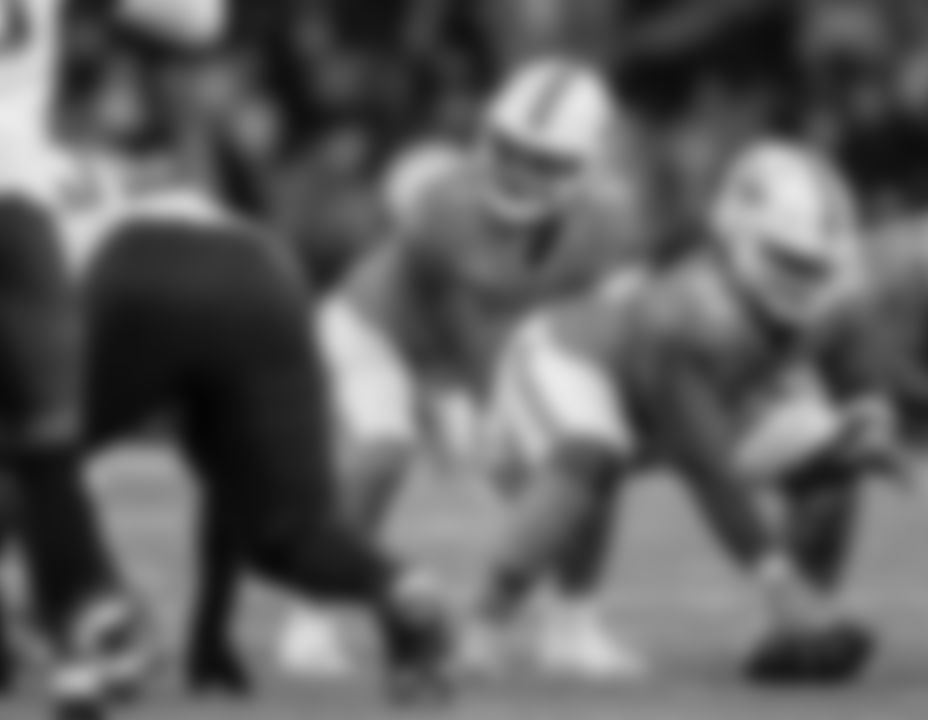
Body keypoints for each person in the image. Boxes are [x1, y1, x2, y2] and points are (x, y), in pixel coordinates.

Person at [277, 55, 655, 678]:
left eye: (547, 160)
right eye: (511, 149)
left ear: (586, 164)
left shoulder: (611, 224)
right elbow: (465, 331)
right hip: (377, 334)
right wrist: (490, 429)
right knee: (385, 448)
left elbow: (590, 341)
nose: (522, 171)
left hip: (486, 352)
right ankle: (309, 620)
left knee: (596, 444)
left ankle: (572, 626)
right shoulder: (446, 205)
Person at [463, 139, 895, 684]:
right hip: (563, 359)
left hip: (696, 400)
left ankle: (788, 627)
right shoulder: (687, 314)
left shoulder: (838, 289)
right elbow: (707, 464)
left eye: (817, 265)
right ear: (735, 233)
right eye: (788, 259)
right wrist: (773, 574)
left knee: (837, 455)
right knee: (593, 449)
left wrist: (871, 413)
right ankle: (477, 629)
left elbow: (853, 353)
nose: (804, 279)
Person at [53, 156, 455, 706]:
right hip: (259, 269)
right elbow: (225, 469)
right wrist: (210, 632)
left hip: (132, 264)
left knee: (37, 467)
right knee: (287, 531)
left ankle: (96, 631)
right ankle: (398, 590)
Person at [0, 0, 226, 715]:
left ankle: (85, 620)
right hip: (21, 204)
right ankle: (91, 629)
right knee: (42, 453)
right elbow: (188, 17)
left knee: (38, 453)